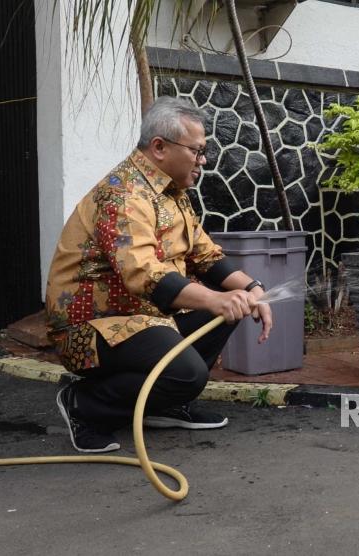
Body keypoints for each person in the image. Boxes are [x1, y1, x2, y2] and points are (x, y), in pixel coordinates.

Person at [45, 97, 272, 453]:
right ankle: (84, 405)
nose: (203, 160)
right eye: (197, 151)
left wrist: (252, 289)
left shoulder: (172, 192)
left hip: (147, 319)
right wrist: (215, 298)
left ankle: (162, 403)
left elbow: (204, 252)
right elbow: (142, 272)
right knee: (188, 373)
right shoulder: (123, 194)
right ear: (160, 147)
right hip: (93, 329)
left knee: (230, 310)